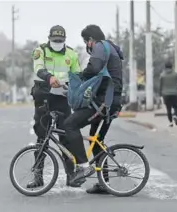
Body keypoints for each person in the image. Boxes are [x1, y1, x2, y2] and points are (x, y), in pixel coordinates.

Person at [63, 25, 124, 191]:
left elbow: (94, 69)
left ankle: (83, 166)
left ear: (90, 40)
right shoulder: (110, 47)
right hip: (112, 101)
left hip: (104, 102)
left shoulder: (99, 46)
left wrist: (79, 77)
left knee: (70, 124)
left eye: (86, 42)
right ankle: (104, 184)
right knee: (96, 140)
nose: (87, 45)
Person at [28, 25, 81, 188]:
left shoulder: (71, 53)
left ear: (64, 40)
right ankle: (38, 176)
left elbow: (76, 74)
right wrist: (49, 77)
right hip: (44, 97)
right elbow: (38, 68)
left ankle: (71, 176)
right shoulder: (41, 51)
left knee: (66, 136)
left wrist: (74, 88)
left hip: (62, 99)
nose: (57, 43)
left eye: (60, 40)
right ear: (49, 38)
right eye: (54, 40)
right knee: (42, 138)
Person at [159, 61, 177, 127]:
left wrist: (160, 94)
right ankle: (175, 115)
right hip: (174, 93)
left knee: (168, 108)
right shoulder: (176, 74)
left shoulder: (162, 75)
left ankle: (171, 123)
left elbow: (160, 86)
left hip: (165, 94)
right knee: (176, 106)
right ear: (172, 67)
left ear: (165, 67)